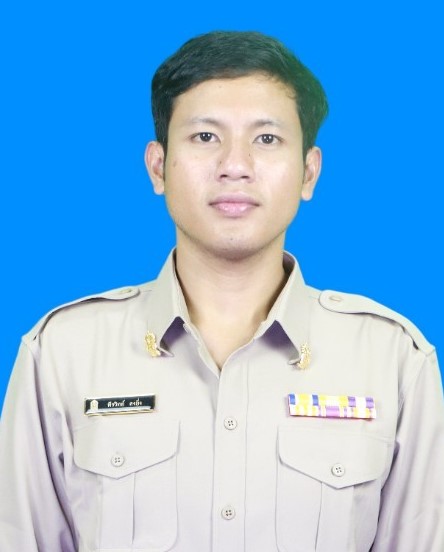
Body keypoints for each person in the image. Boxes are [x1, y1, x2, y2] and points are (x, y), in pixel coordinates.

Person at [0, 30, 443, 552]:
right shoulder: (62, 352)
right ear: (158, 167)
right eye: (206, 136)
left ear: (309, 172)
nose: (235, 165)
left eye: (267, 139)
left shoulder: (392, 359)